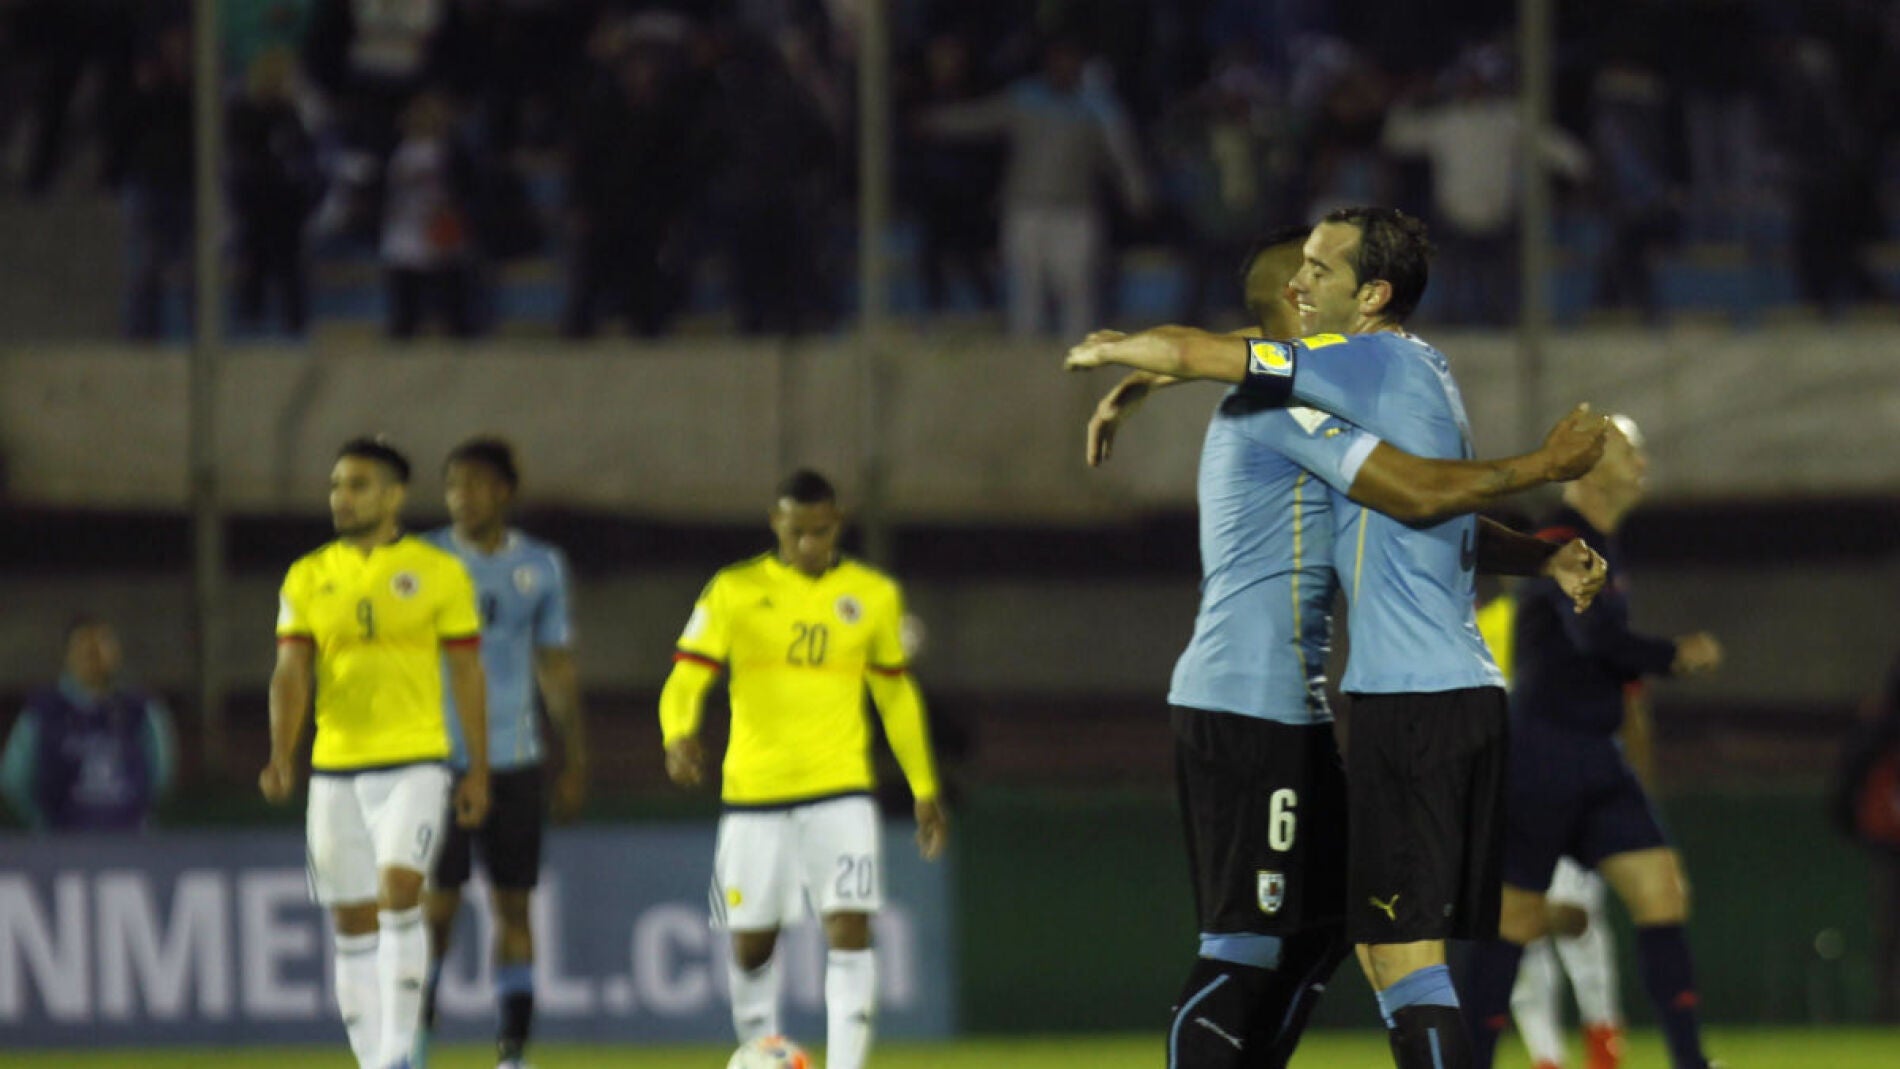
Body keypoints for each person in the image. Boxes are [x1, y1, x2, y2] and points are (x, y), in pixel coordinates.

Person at [1067, 206, 1608, 1069]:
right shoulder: (1358, 384)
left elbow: (1418, 496)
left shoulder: (1342, 379)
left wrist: (1140, 367)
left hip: (1370, 702)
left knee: (1360, 947)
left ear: (1368, 296)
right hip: (1257, 703)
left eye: (1319, 271)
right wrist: (1138, 370)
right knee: (1292, 941)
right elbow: (1416, 493)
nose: (1299, 286)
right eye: (1297, 275)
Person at [658, 470, 948, 1069]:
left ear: (836, 524)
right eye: (797, 534)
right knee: (751, 945)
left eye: (820, 532)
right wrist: (678, 734)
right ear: (776, 524)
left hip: (841, 790)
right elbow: (686, 677)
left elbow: (896, 696)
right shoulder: (733, 591)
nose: (810, 546)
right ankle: (761, 1053)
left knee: (849, 930)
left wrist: (924, 787)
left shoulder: (872, 595)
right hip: (754, 795)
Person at [1461, 415, 1724, 1069]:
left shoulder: (1605, 542)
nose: (1641, 461)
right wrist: (1673, 654)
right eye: (1629, 449)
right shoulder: (1557, 538)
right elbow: (1596, 641)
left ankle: (1691, 1059)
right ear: (1592, 465)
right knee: (1514, 923)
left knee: (1662, 888)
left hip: (1595, 754)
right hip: (1541, 758)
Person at [262, 436, 491, 1069]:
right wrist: (283, 753)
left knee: (399, 890)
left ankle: (397, 1056)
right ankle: (374, 1062)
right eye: (336, 484)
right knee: (352, 924)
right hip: (335, 771)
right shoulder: (308, 576)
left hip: (416, 763)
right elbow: (290, 671)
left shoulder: (439, 573)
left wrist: (477, 766)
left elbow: (468, 674)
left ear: (393, 496)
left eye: (358, 484)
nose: (342, 496)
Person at [416, 439, 586, 1069]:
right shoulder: (423, 560)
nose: (463, 495)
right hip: (439, 761)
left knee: (513, 907)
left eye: (477, 484)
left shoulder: (541, 567)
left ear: (506, 491)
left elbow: (557, 666)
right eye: (453, 484)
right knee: (435, 912)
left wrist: (573, 758)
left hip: (516, 759)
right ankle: (412, 1045)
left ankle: (512, 1056)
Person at [0, 618, 176, 832]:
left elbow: (160, 774)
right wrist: (43, 822)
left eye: (102, 646)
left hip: (130, 840)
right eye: (85, 648)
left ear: (116, 652)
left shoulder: (140, 709)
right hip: (61, 842)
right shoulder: (43, 711)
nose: (94, 656)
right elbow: (15, 778)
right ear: (68, 655)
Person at [1831, 653, 1900, 1022]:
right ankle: (1889, 1013)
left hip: (1883, 843)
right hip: (1888, 842)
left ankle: (1888, 1010)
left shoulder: (1877, 724)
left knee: (1889, 934)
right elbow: (1852, 774)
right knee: (1889, 934)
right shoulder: (1879, 728)